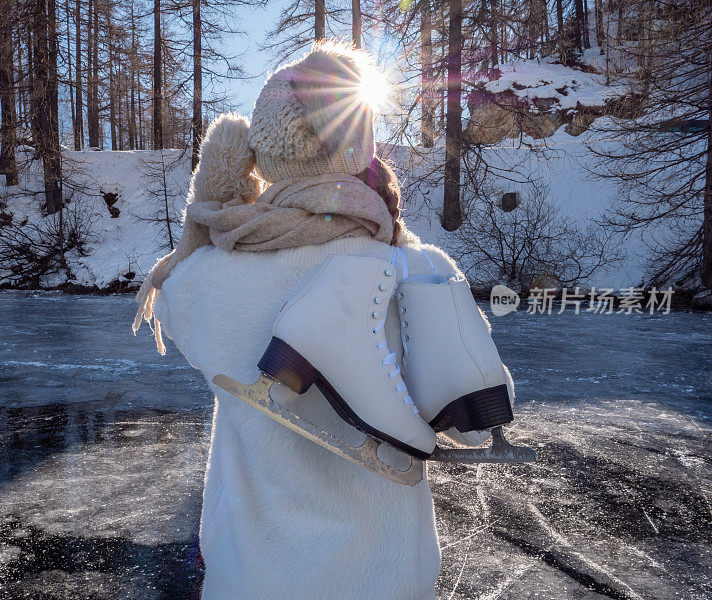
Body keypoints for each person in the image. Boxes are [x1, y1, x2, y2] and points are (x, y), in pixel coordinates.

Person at [133, 41, 482, 600]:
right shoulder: (408, 264)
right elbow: (460, 406)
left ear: (265, 148)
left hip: (258, 574)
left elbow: (172, 307)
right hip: (389, 576)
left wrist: (213, 194)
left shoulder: (220, 274)